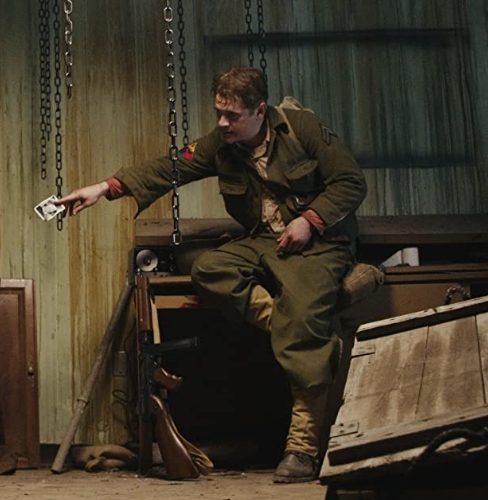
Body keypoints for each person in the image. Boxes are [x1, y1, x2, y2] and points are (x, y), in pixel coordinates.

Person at [57, 67, 367, 484]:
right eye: (219, 113)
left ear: (260, 111)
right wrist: (102, 189)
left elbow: (350, 182)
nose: (222, 123)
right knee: (209, 269)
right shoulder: (222, 145)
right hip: (266, 242)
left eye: (232, 115)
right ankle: (298, 330)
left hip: (319, 244)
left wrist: (310, 220)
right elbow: (168, 168)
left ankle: (302, 449)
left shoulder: (303, 130)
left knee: (306, 318)